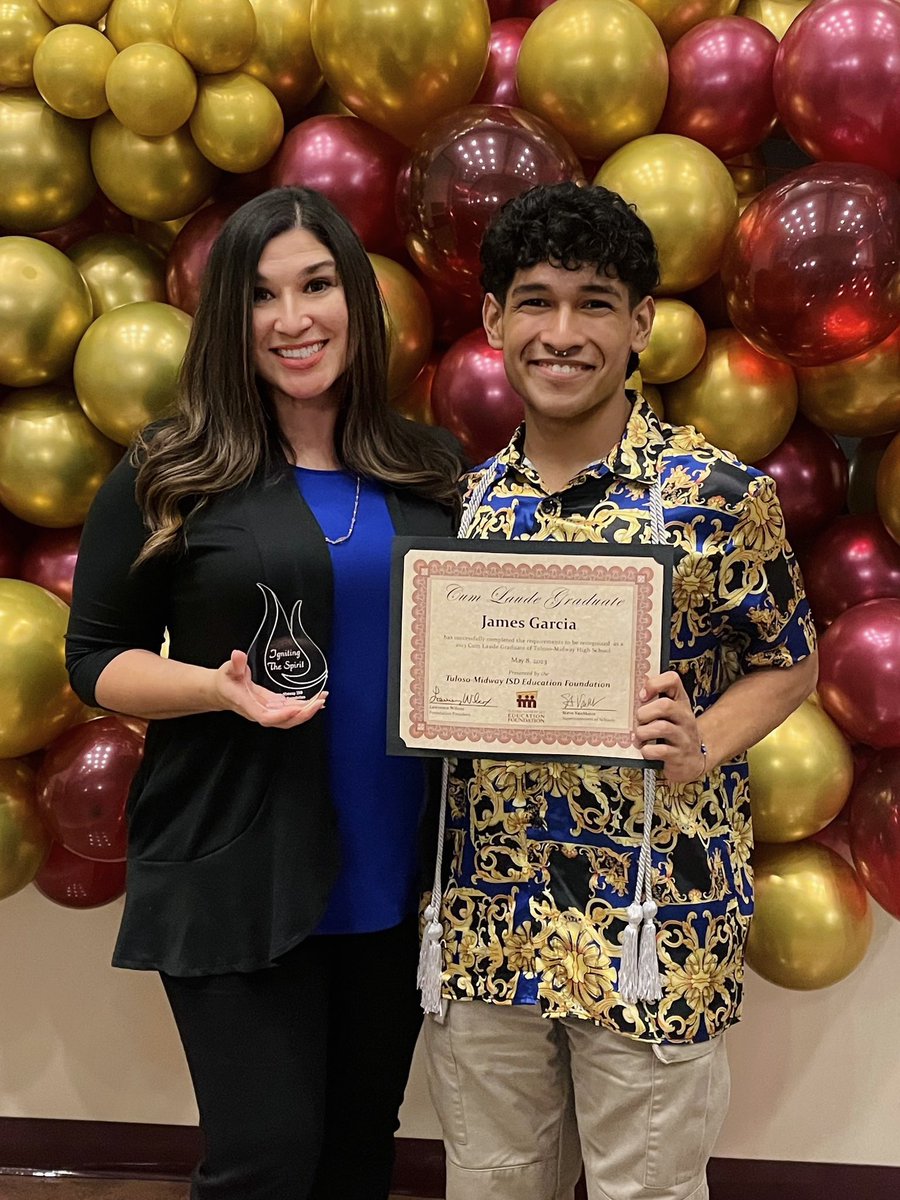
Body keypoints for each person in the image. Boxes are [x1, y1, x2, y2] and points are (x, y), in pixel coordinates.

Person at [420, 181, 818, 1200]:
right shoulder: (456, 511)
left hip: (655, 918)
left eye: (595, 302)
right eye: (536, 300)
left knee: (646, 1189)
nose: (563, 332)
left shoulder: (725, 497)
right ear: (493, 319)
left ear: (640, 323)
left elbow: (792, 658)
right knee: (495, 1181)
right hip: (487, 919)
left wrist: (706, 741)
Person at [65, 186, 463, 1200]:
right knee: (265, 1164)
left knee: (357, 1153)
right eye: (261, 294)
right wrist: (214, 687)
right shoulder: (172, 466)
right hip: (234, 860)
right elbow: (97, 656)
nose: (294, 320)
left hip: (392, 870)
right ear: (228, 321)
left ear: (355, 302)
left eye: (317, 285)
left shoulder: (427, 469)